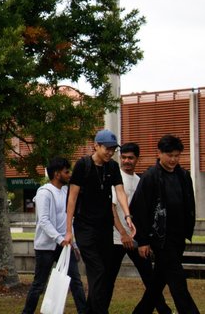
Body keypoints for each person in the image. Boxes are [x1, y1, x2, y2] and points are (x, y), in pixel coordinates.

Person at [65, 129, 135, 314]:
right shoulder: (83, 165)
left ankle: (90, 310)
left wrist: (127, 215)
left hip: (104, 227)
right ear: (96, 146)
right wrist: (68, 230)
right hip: (85, 227)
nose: (110, 153)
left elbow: (120, 191)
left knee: (102, 274)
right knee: (98, 270)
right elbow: (71, 198)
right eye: (107, 148)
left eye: (113, 149)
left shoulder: (112, 167)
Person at [130, 135, 199, 314]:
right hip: (160, 238)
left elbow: (188, 203)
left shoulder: (183, 175)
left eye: (177, 155)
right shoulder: (150, 176)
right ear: (159, 153)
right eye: (170, 155)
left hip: (178, 237)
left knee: (158, 281)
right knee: (178, 282)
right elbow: (138, 210)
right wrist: (143, 240)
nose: (173, 159)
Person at [106, 143, 172, 313]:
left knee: (150, 279)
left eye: (130, 158)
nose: (126, 161)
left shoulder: (140, 180)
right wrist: (122, 233)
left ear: (137, 159)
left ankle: (163, 309)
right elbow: (111, 208)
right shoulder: (115, 178)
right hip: (116, 239)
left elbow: (145, 212)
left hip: (136, 239)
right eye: (124, 157)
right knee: (107, 282)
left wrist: (144, 239)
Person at [21, 158, 86, 314]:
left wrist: (73, 243)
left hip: (65, 245)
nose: (69, 174)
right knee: (39, 285)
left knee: (76, 282)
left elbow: (68, 219)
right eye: (66, 172)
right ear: (57, 174)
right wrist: (59, 239)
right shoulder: (44, 192)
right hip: (46, 247)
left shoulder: (66, 191)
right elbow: (43, 221)